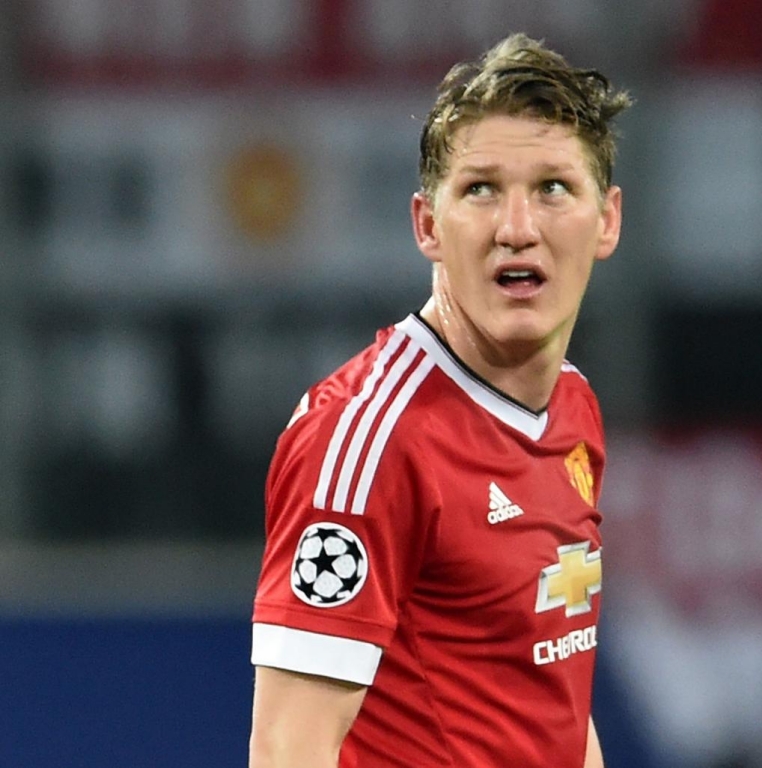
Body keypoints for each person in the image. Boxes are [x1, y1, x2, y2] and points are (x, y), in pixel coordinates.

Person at [248, 31, 631, 768]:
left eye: (553, 187)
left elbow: (545, 695)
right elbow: (287, 747)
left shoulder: (573, 407)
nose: (517, 229)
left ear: (607, 219)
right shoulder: (365, 437)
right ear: (427, 224)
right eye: (481, 189)